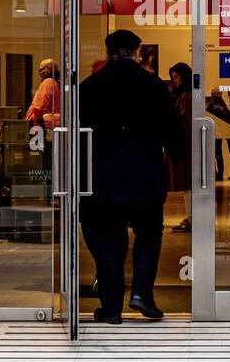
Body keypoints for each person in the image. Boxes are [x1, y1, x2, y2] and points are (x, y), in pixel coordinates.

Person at [78, 29, 183, 324]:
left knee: (109, 241)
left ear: (108, 51)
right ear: (137, 52)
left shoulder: (90, 87)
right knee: (149, 234)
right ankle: (141, 294)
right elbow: (172, 131)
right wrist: (177, 156)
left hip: (103, 179)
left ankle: (111, 309)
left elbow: (79, 136)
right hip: (145, 178)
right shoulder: (153, 86)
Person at [167, 62, 193, 231]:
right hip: (186, 145)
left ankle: (191, 218)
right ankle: (191, 217)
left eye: (176, 77)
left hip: (185, 146)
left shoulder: (185, 97)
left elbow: (184, 122)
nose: (174, 81)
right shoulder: (186, 95)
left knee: (187, 184)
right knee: (187, 185)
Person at [23, 58, 60, 129]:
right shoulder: (56, 82)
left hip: (41, 125)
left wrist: (30, 120)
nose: (40, 72)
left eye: (43, 68)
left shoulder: (48, 82)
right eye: (39, 70)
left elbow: (39, 106)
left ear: (50, 69)